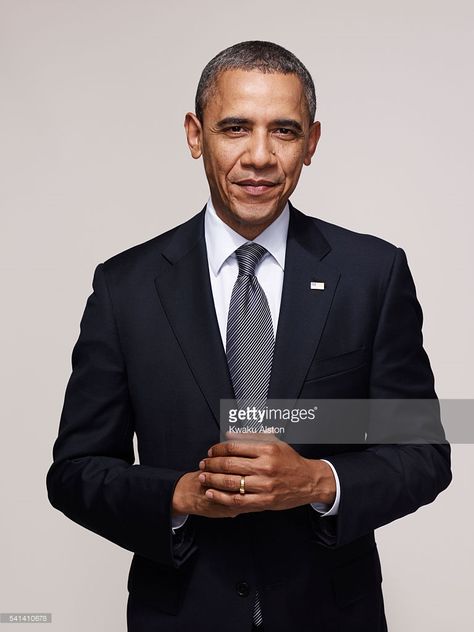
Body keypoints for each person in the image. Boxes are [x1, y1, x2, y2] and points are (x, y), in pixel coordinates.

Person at [46, 41, 451, 632]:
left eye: (283, 132)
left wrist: (319, 481)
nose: (259, 156)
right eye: (235, 127)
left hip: (332, 615)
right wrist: (179, 497)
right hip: (181, 614)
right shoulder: (123, 288)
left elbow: (424, 450)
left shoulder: (373, 274)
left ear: (311, 143)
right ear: (195, 135)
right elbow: (75, 471)